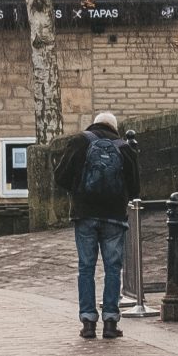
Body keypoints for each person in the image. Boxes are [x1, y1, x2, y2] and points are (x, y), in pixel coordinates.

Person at [53, 112, 140, 341]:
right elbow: (136, 187)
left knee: (86, 268)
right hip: (114, 217)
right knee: (113, 268)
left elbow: (60, 176)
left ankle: (88, 322)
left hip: (85, 215)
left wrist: (79, 189)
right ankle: (110, 322)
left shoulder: (79, 142)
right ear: (114, 127)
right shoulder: (124, 147)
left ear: (95, 122)